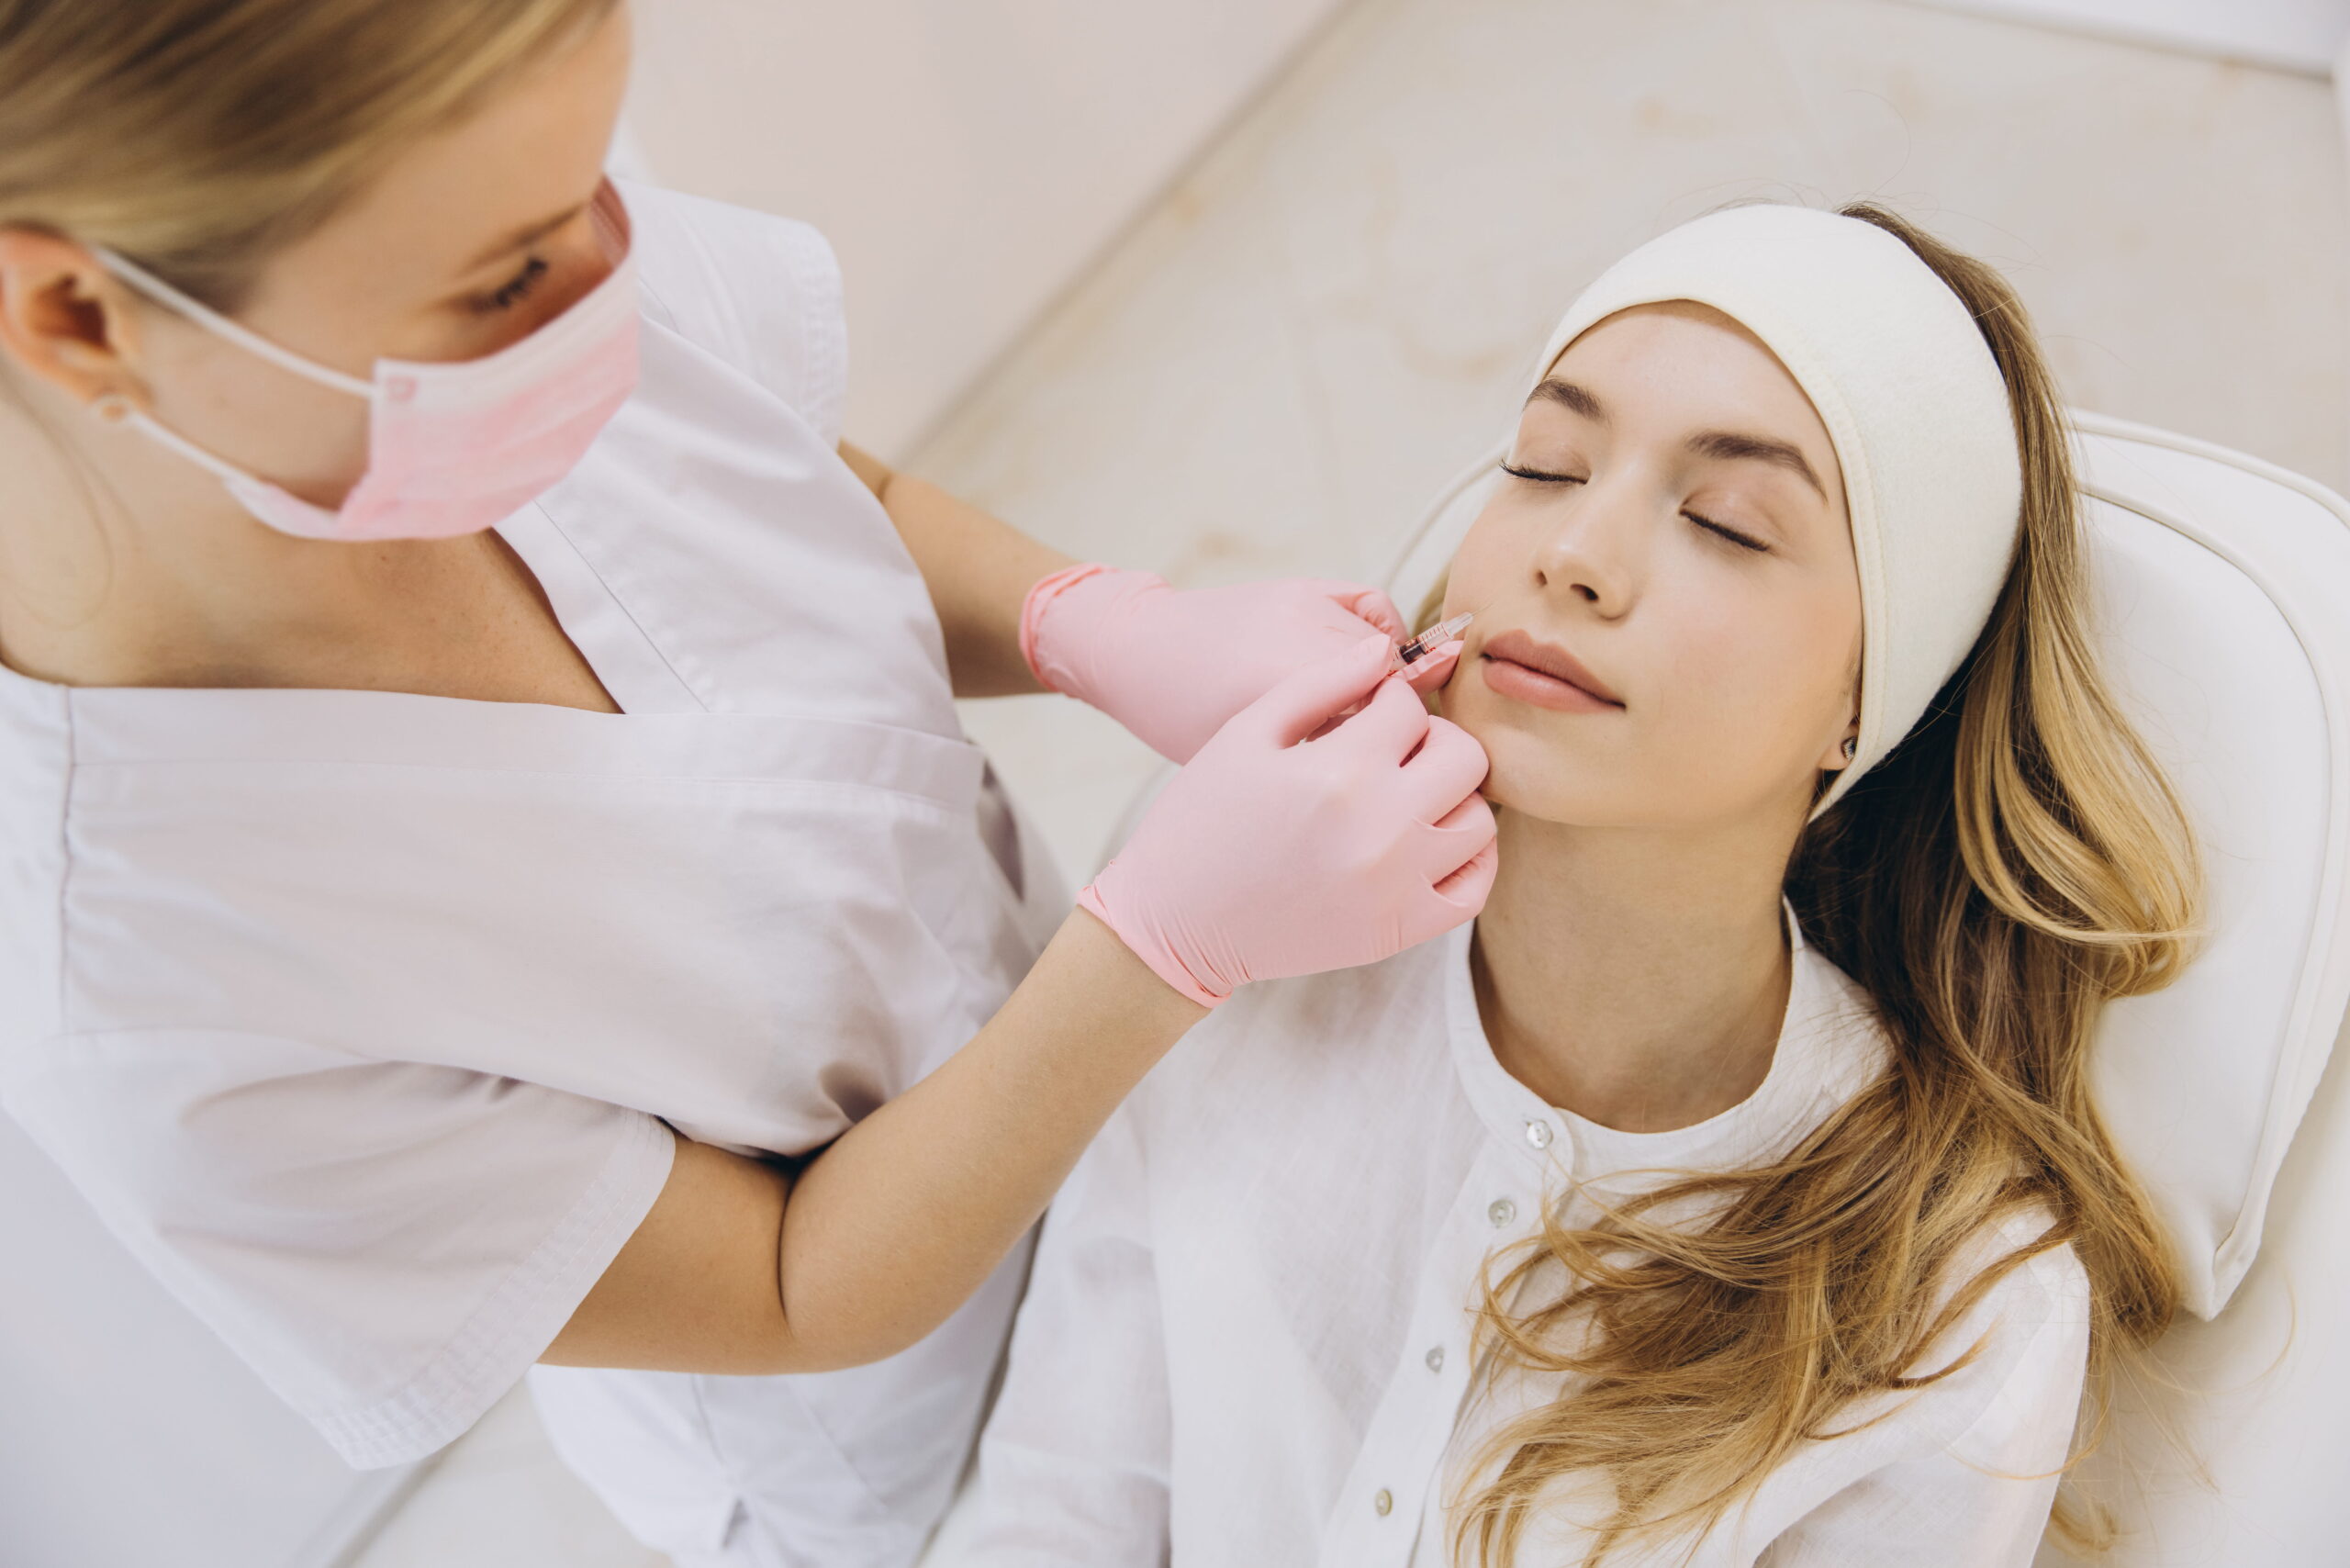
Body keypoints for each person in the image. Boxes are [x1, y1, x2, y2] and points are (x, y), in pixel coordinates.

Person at [0, 3, 1496, 1565]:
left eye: (599, 187)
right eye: (508, 281)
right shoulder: (159, 1014)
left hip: (1117, 1127)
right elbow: (790, 1289)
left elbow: (785, 475)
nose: (609, 285)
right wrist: (1156, 952)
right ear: (85, 319)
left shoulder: (497, 218)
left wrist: (1091, 623)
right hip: (916, 1438)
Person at [958, 202, 2199, 1566]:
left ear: (1867, 698)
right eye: (1546, 465)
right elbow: (1054, 1510)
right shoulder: (1244, 931)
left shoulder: (1960, 1311)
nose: (1576, 554)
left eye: (1726, 523)